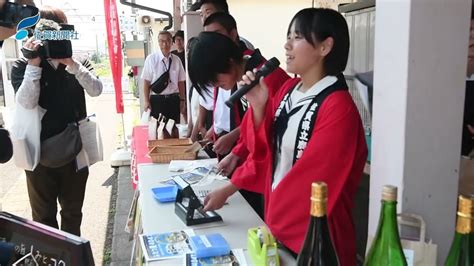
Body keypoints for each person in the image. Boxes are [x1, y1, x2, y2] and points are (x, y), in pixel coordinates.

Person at [201, 8, 367, 265]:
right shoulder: (289, 89)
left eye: (297, 37)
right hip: (282, 230)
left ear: (325, 47)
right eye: (288, 36)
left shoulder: (339, 107)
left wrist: (273, 222)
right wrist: (258, 107)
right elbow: (264, 154)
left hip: (316, 241)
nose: (287, 45)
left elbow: (316, 182)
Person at [10, 6, 103, 236]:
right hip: (38, 156)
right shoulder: (23, 65)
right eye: (44, 33)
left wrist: (72, 64)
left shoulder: (76, 61)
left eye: (57, 32)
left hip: (75, 153)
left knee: (73, 214)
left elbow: (96, 90)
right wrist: (34, 64)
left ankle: (72, 257)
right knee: (43, 220)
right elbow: (26, 103)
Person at [188, 31, 289, 217]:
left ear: (229, 61)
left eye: (215, 79)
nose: (216, 86)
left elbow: (264, 144)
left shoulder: (266, 80)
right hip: (270, 172)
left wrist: (229, 188)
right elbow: (252, 125)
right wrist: (236, 153)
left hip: (281, 175)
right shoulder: (246, 76)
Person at [142, 31, 186, 122]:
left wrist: (182, 100)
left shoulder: (176, 60)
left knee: (173, 128)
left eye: (168, 41)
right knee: (157, 130)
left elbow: (181, 82)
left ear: (172, 42)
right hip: (157, 100)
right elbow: (146, 82)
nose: (165, 44)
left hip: (173, 99)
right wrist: (146, 100)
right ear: (158, 42)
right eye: (162, 41)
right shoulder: (151, 59)